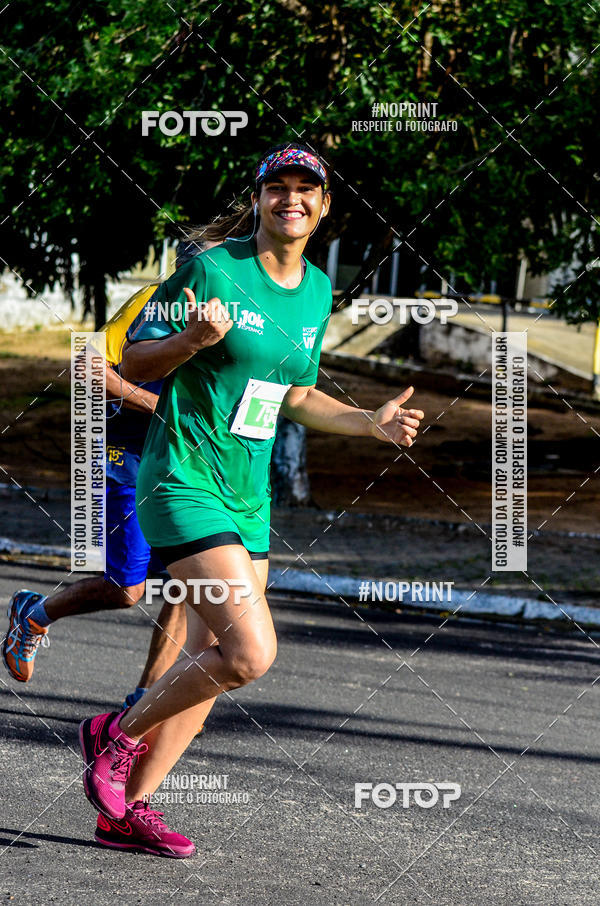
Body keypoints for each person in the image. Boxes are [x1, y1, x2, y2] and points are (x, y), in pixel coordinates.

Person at [77, 141, 425, 858]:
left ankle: (128, 810)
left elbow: (293, 392)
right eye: (278, 187)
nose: (291, 198)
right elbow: (129, 361)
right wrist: (191, 339)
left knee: (209, 663)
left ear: (323, 206)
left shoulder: (320, 291)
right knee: (251, 653)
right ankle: (118, 733)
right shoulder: (214, 268)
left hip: (247, 496)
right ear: (260, 198)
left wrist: (370, 422)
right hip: (182, 480)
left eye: (306, 188)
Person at [2, 241, 213, 714]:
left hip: (186, 466)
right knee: (126, 589)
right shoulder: (151, 303)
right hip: (128, 458)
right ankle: (34, 614)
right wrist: (162, 409)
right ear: (189, 268)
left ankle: (144, 699)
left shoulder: (231, 317)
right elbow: (87, 366)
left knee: (188, 583)